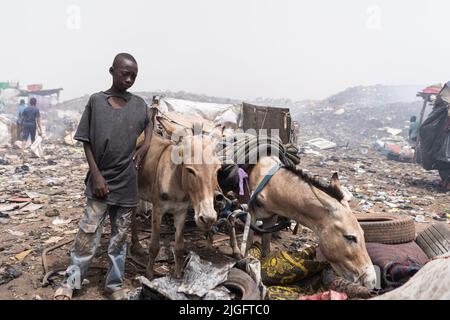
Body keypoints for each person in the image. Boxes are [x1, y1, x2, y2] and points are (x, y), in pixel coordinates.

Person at [54, 53, 154, 300]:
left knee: (119, 241)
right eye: (125, 73)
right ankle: (71, 283)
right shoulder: (97, 102)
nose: (129, 79)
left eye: (134, 76)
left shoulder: (139, 105)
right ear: (112, 71)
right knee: (87, 237)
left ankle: (114, 284)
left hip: (127, 183)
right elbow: (86, 141)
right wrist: (96, 175)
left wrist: (145, 146)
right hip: (101, 183)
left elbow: (150, 121)